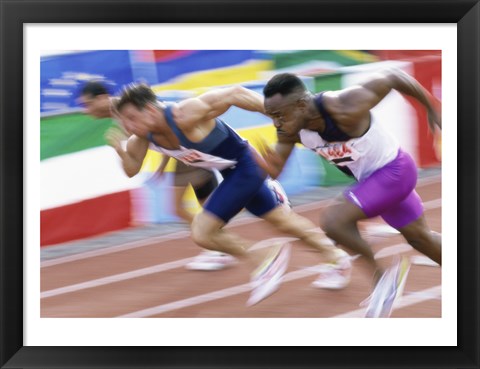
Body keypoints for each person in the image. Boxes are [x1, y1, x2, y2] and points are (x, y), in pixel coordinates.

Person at [113, 82, 351, 306]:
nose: (129, 127)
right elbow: (132, 170)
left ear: (151, 110)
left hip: (246, 165)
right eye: (125, 122)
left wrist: (278, 117)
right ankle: (337, 258)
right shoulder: (142, 138)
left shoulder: (185, 114)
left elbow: (235, 93)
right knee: (282, 221)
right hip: (229, 171)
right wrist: (121, 152)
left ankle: (265, 257)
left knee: (202, 231)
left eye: (132, 119)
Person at [257, 70, 442, 317]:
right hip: (373, 183)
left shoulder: (345, 105)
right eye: (272, 117)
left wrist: (430, 108)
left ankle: (384, 278)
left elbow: (393, 77)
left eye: (279, 115)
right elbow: (275, 169)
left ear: (301, 104)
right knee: (421, 240)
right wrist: (261, 164)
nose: (276, 124)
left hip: (396, 171)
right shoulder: (291, 130)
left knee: (334, 221)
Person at [79, 81, 235, 271]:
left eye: (87, 104)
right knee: (186, 208)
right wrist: (161, 163)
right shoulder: (122, 111)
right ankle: (217, 245)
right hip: (179, 153)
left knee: (193, 207)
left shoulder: (126, 107)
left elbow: (163, 124)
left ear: (101, 98)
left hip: (188, 149)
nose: (86, 111)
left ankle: (219, 246)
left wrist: (162, 160)